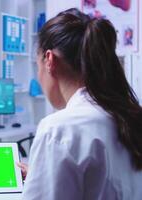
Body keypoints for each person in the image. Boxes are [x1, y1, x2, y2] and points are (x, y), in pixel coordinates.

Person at [18, 8, 142, 199]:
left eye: (37, 65)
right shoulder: (128, 116)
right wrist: (41, 173)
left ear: (49, 60)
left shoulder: (58, 129)